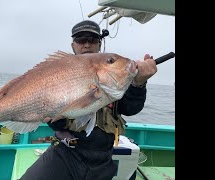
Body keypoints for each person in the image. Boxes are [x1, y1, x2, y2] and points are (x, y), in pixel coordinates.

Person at [20, 20, 157, 180]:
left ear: (99, 44)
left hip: (103, 159)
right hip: (64, 152)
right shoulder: (58, 72)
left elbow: (130, 108)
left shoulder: (115, 77)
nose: (86, 45)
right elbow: (58, 123)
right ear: (73, 46)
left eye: (92, 40)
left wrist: (139, 84)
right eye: (80, 40)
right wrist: (53, 118)